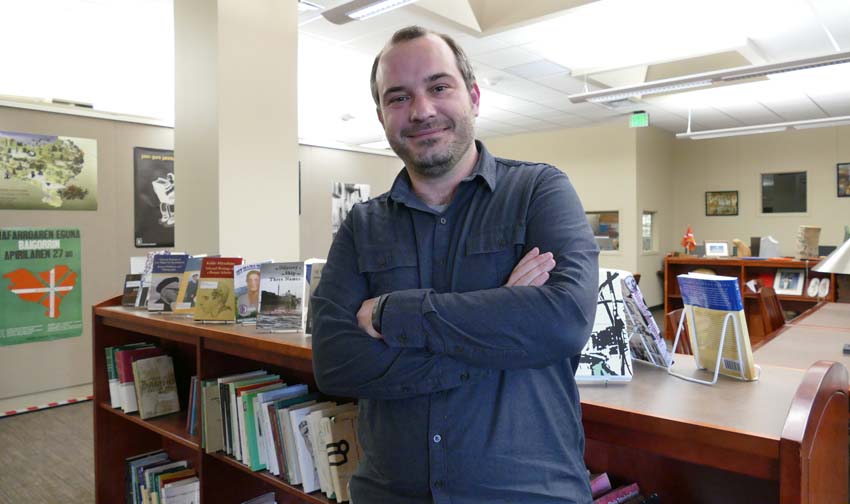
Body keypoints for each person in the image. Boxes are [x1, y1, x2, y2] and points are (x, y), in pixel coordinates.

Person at [311, 25, 599, 504]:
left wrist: (392, 315)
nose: (422, 110)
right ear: (381, 115)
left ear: (474, 96)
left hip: (530, 493)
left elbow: (563, 321)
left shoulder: (539, 192)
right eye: (398, 97)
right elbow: (336, 362)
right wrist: (500, 332)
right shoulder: (361, 226)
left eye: (439, 87)